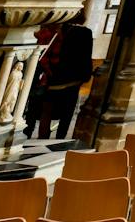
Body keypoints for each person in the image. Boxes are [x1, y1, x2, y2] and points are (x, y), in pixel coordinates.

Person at [28, 9, 95, 140]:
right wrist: (86, 76)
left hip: (52, 76)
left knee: (46, 110)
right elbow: (85, 56)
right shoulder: (85, 32)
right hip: (72, 79)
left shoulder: (55, 29)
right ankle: (59, 138)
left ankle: (42, 139)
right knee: (67, 112)